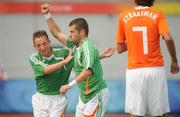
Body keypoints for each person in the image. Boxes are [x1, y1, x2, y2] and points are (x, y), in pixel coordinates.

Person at [41, 3, 115, 117]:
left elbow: (88, 71)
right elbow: (56, 33)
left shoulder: (87, 46)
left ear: (82, 32)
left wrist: (69, 85)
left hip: (96, 94)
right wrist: (47, 15)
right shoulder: (74, 44)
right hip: (84, 96)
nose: (69, 35)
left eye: (72, 32)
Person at [116, 0, 179, 117]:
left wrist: (134, 41)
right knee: (160, 112)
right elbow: (168, 38)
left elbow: (119, 48)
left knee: (136, 113)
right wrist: (174, 61)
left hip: (134, 71)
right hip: (156, 69)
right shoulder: (158, 14)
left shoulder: (123, 16)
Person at [29, 30, 74, 117]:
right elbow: (46, 70)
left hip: (59, 99)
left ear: (49, 42)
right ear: (34, 46)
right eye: (38, 45)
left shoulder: (62, 53)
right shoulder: (33, 57)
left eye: (44, 43)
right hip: (40, 99)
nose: (42, 47)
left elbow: (82, 58)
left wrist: (101, 55)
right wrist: (64, 62)